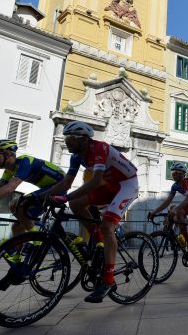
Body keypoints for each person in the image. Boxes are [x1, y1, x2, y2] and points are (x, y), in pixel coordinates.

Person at [44, 121, 140, 303]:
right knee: (76, 205)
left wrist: (65, 197)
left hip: (127, 185)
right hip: (109, 185)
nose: (67, 142)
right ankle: (98, 240)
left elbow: (95, 181)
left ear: (84, 139)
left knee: (107, 225)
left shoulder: (99, 149)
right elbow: (65, 184)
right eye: (66, 138)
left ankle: (109, 280)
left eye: (70, 138)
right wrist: (39, 196)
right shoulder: (77, 157)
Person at [148, 162, 188, 269]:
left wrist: (175, 210)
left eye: (177, 173)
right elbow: (167, 202)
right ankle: (187, 242)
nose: (174, 175)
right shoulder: (175, 186)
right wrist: (154, 212)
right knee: (178, 212)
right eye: (173, 173)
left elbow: (187, 199)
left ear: (183, 174)